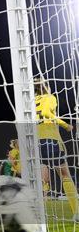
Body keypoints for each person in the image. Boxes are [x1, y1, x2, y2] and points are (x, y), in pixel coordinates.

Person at [34, 78, 78, 220]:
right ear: (46, 86)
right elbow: (47, 113)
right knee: (65, 175)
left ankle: (38, 215)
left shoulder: (31, 100)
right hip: (50, 140)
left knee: (42, 181)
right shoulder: (50, 97)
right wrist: (66, 125)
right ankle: (77, 212)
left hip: (36, 141)